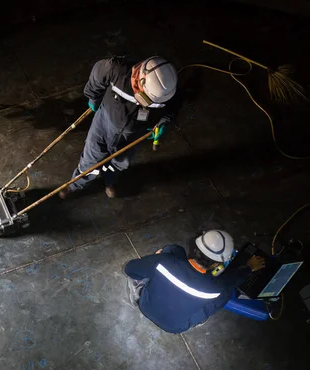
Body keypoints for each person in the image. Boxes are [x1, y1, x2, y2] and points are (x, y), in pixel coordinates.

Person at [59, 56, 178, 199]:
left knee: (120, 162)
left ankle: (110, 181)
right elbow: (98, 75)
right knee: (91, 159)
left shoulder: (168, 92)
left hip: (135, 133)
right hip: (105, 124)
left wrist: (162, 123)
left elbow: (172, 109)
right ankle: (76, 185)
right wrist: (93, 98)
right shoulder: (117, 69)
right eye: (148, 98)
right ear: (141, 79)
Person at [124, 230, 265, 334]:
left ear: (196, 246)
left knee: (174, 249)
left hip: (145, 305)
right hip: (173, 327)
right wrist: (249, 267)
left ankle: (142, 288)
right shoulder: (216, 288)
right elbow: (231, 280)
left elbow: (130, 269)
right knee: (225, 294)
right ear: (216, 265)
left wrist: (157, 259)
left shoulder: (164, 262)